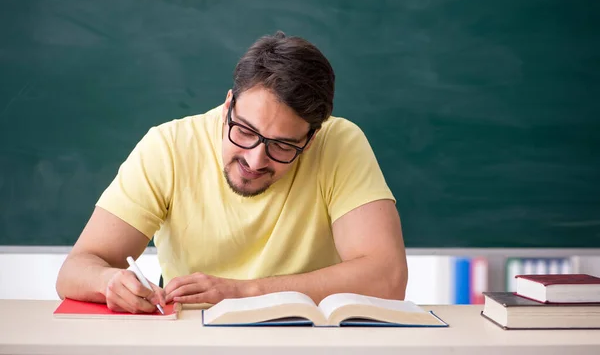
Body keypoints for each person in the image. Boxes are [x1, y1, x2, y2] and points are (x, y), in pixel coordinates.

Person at [56, 31, 408, 314]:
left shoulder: (341, 143)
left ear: (312, 138)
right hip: (193, 341)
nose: (255, 160)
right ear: (228, 105)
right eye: (245, 131)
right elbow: (75, 270)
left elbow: (388, 278)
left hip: (307, 343)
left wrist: (245, 292)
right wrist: (109, 282)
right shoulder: (168, 146)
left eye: (283, 146)